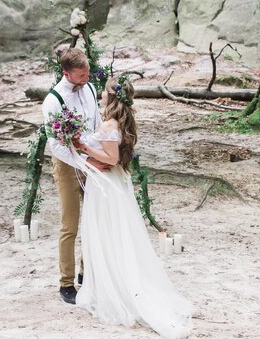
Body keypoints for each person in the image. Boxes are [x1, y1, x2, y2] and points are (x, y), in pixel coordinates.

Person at [72, 76, 194, 339]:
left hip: (106, 188)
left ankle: (114, 291)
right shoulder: (120, 121)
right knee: (115, 234)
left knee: (107, 234)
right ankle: (110, 284)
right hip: (112, 184)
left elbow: (111, 158)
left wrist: (83, 148)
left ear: (111, 97)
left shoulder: (108, 124)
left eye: (104, 92)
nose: (101, 96)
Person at [41, 48, 111, 305]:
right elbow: (56, 145)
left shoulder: (90, 88)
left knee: (93, 219)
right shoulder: (53, 101)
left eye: (87, 73)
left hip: (90, 160)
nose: (86, 78)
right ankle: (66, 283)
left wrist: (98, 155)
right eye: (81, 75)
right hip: (68, 165)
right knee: (70, 224)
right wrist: (84, 161)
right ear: (66, 73)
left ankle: (86, 273)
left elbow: (94, 124)